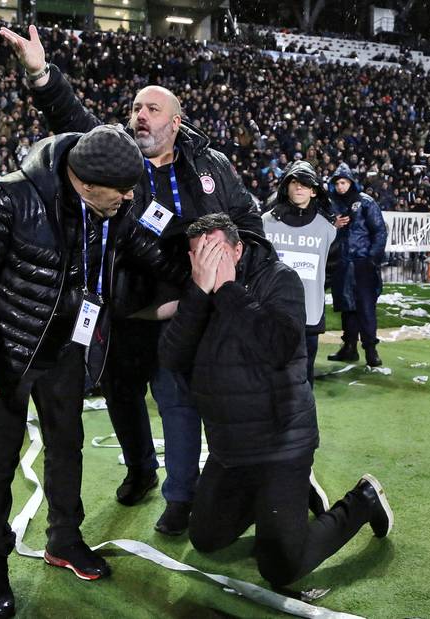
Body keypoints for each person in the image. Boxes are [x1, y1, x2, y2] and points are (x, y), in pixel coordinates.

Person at [0, 24, 263, 535]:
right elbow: (72, 118)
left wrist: (236, 272)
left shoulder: (211, 165)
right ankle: (142, 468)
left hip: (193, 308)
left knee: (183, 400)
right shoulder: (119, 155)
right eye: (135, 108)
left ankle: (187, 495)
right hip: (127, 307)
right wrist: (41, 74)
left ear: (176, 121)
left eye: (152, 109)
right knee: (123, 394)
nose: (139, 116)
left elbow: (247, 224)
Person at [0, 124, 183, 618]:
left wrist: (207, 271)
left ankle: (64, 539)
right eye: (121, 191)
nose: (129, 198)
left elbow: (150, 252)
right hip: (7, 353)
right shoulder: (8, 198)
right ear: (84, 183)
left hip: (69, 351)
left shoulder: (113, 201)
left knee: (66, 447)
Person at [158, 213, 393, 587]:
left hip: (280, 444)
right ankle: (290, 498)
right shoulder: (195, 289)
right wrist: (199, 295)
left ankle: (363, 501)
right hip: (229, 449)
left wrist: (229, 291)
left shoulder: (279, 278)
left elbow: (279, 347)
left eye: (215, 250)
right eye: (198, 253)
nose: (206, 261)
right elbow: (172, 357)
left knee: (281, 568)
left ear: (237, 249)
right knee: (205, 539)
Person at [262, 161, 337, 386]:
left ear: (314, 191)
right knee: (269, 375)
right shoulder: (266, 222)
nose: (299, 188)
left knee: (304, 377)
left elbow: (332, 267)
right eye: (293, 182)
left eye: (304, 183)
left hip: (309, 315)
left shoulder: (327, 229)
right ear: (286, 187)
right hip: (271, 312)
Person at [324, 163, 388, 367]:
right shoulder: (330, 205)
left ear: (351, 182)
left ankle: (371, 349)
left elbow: (379, 231)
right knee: (346, 306)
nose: (341, 186)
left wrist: (372, 258)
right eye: (337, 183)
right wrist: (332, 225)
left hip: (362, 262)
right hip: (341, 262)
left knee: (366, 307)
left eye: (343, 182)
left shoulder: (366, 202)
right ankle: (349, 347)